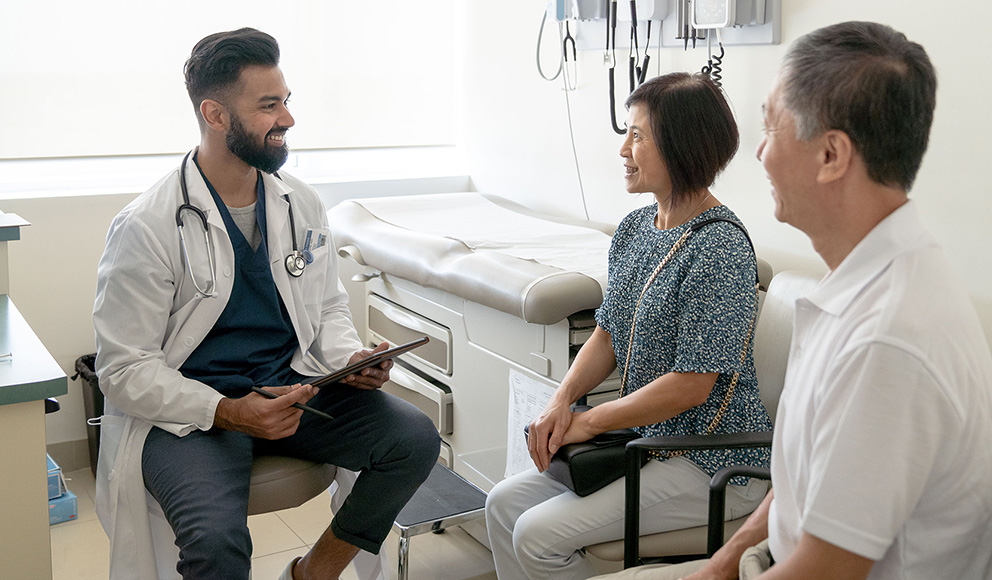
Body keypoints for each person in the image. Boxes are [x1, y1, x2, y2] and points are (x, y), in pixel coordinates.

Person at [589, 21, 992, 580]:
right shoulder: (857, 284)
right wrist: (721, 564)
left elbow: (824, 569)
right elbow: (800, 485)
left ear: (831, 155)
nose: (758, 153)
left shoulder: (888, 338)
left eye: (771, 129)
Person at [92, 28, 440, 580]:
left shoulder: (298, 201)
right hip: (193, 412)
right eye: (269, 105)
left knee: (415, 438)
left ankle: (314, 572)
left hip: (290, 390)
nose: (288, 119)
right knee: (215, 543)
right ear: (215, 114)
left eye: (287, 101)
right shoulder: (147, 226)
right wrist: (228, 411)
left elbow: (325, 308)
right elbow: (123, 368)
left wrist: (348, 359)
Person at [485, 72, 773, 580]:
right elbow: (607, 333)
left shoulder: (721, 248)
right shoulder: (637, 229)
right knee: (503, 505)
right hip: (645, 442)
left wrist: (591, 420)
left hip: (711, 459)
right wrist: (561, 400)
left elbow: (692, 385)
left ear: (681, 146)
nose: (623, 148)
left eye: (638, 135)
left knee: (536, 536)